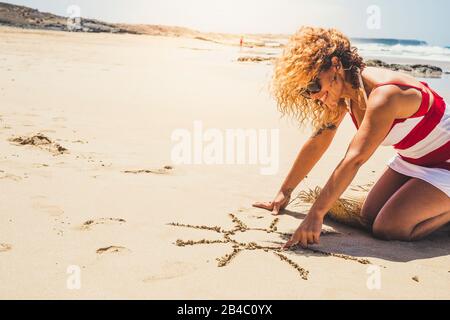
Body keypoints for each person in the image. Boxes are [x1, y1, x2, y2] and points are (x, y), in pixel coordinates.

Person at [252, 27, 450, 249]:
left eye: (314, 85)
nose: (314, 95)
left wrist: (316, 214)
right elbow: (319, 140)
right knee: (370, 214)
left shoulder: (385, 95)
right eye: (306, 91)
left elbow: (354, 158)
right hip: (413, 159)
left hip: (447, 162)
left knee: (388, 228)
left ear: (336, 65)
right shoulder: (344, 94)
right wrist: (284, 192)